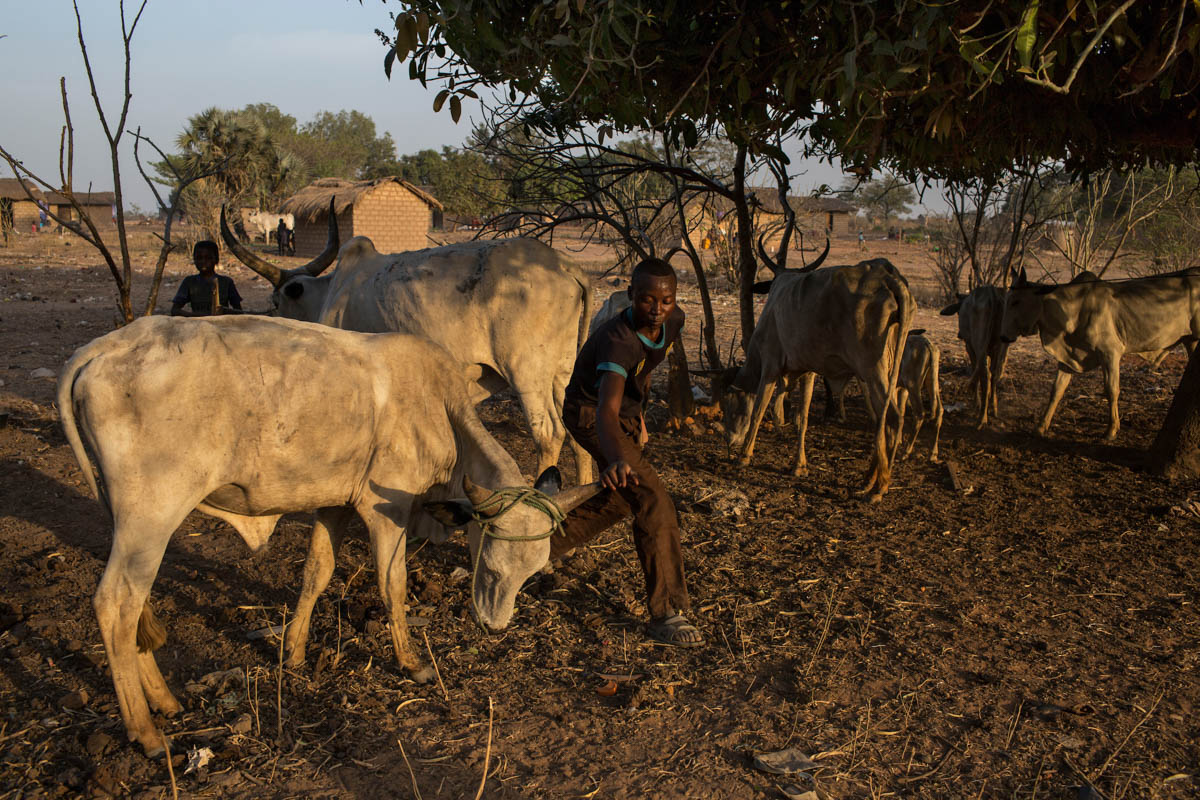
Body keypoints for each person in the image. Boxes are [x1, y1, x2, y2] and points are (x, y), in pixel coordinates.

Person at [553, 258, 703, 647]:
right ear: (630, 296)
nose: (657, 308)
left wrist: (638, 419)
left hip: (623, 418)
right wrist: (616, 454)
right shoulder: (617, 339)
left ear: (675, 299)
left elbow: (645, 367)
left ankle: (536, 545)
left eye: (665, 300)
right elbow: (605, 409)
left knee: (622, 500)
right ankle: (667, 612)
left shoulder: (674, 321)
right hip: (590, 415)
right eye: (647, 299)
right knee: (653, 499)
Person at [170, 240, 243, 317]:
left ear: (216, 260)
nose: (203, 261)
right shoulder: (189, 282)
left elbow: (239, 312)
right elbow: (175, 310)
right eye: (199, 258)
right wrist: (196, 316)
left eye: (208, 258)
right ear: (194, 260)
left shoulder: (226, 282)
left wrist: (223, 312)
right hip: (198, 325)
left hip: (221, 325)